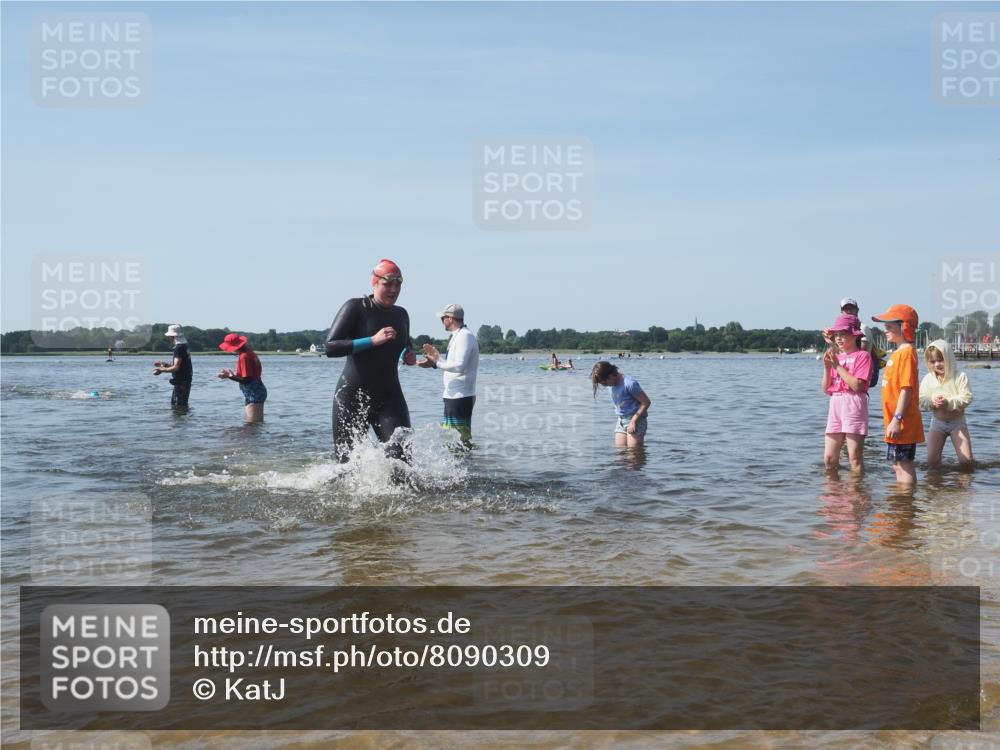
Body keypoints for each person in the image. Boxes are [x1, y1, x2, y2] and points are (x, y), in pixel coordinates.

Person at [325, 259, 416, 461]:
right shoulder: (356, 307)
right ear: (374, 282)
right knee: (347, 463)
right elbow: (330, 347)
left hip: (390, 398)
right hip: (353, 397)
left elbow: (403, 345)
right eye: (387, 283)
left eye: (398, 283)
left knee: (402, 460)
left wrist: (408, 355)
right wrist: (372, 340)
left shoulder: (401, 314)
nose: (393, 289)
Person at [871, 305, 924, 484]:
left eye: (889, 327)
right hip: (893, 420)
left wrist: (898, 418)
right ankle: (901, 503)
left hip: (903, 421)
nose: (885, 331)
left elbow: (906, 388)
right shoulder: (897, 353)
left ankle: (906, 503)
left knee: (904, 463)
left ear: (904, 327)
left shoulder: (907, 353)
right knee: (896, 464)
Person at [419, 303, 479, 448]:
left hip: (460, 396)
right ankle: (465, 467)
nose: (442, 321)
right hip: (454, 395)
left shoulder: (465, 336)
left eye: (442, 318)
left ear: (450, 318)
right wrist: (435, 360)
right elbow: (453, 363)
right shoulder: (458, 335)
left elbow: (460, 366)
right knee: (453, 440)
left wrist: (437, 363)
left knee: (460, 441)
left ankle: (468, 467)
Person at [821, 313, 872, 474]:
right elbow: (826, 388)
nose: (839, 338)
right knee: (829, 458)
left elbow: (857, 385)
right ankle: (834, 494)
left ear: (854, 335)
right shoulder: (836, 356)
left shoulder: (863, 356)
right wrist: (828, 368)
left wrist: (837, 367)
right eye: (836, 335)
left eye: (843, 334)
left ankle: (856, 494)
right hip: (836, 403)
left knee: (854, 457)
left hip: (853, 403)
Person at [919, 339, 974, 468]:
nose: (937, 364)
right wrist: (932, 402)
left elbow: (967, 398)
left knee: (966, 461)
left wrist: (949, 403)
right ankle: (936, 484)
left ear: (948, 358)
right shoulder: (928, 379)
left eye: (941, 360)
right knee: (932, 460)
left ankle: (964, 484)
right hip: (937, 423)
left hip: (957, 423)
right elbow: (922, 399)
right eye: (933, 362)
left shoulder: (960, 376)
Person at [590, 361, 651, 447]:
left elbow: (646, 402)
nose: (606, 386)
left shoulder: (629, 383)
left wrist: (633, 421)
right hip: (621, 420)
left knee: (634, 454)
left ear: (611, 375)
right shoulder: (611, 384)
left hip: (636, 420)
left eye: (605, 383)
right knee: (621, 454)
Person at [217, 333, 267, 422]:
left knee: (252, 424)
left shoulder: (244, 357)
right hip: (257, 390)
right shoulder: (249, 353)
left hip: (254, 393)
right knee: (254, 424)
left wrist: (229, 376)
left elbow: (247, 379)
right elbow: (248, 375)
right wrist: (230, 375)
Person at [152, 324, 193, 409]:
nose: (169, 338)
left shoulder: (179, 348)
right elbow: (179, 366)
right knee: (179, 406)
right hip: (184, 380)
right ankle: (184, 421)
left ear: (172, 336)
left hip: (181, 382)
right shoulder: (184, 346)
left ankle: (180, 421)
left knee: (178, 406)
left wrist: (161, 370)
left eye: (170, 336)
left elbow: (176, 367)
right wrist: (165, 364)